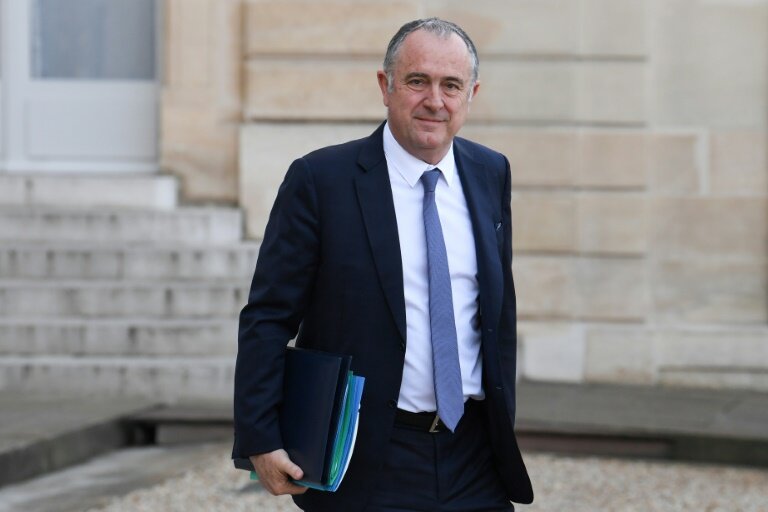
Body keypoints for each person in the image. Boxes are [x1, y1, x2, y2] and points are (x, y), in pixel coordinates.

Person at [233, 17, 533, 512]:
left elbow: (495, 315)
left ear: (471, 94)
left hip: (476, 458)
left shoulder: (489, 172)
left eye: (451, 85)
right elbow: (268, 316)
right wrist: (260, 438)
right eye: (418, 81)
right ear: (385, 86)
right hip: (369, 459)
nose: (435, 100)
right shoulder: (320, 180)